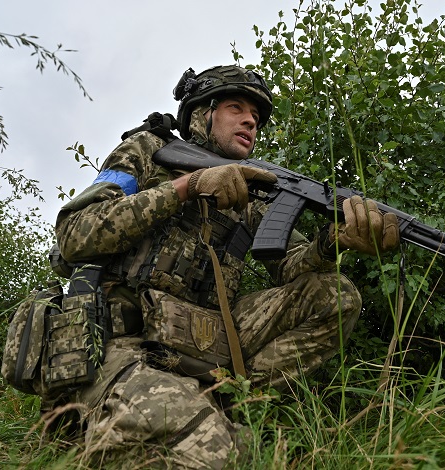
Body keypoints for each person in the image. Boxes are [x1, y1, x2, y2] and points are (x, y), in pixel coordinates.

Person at [52, 64, 399, 468]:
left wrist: (332, 241)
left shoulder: (254, 191)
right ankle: (143, 425)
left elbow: (290, 267)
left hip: (202, 345)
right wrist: (185, 188)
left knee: (334, 295)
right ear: (203, 113)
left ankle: (233, 402)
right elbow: (75, 233)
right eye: (237, 107)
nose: (251, 120)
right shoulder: (148, 151)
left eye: (256, 116)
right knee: (223, 454)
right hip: (119, 344)